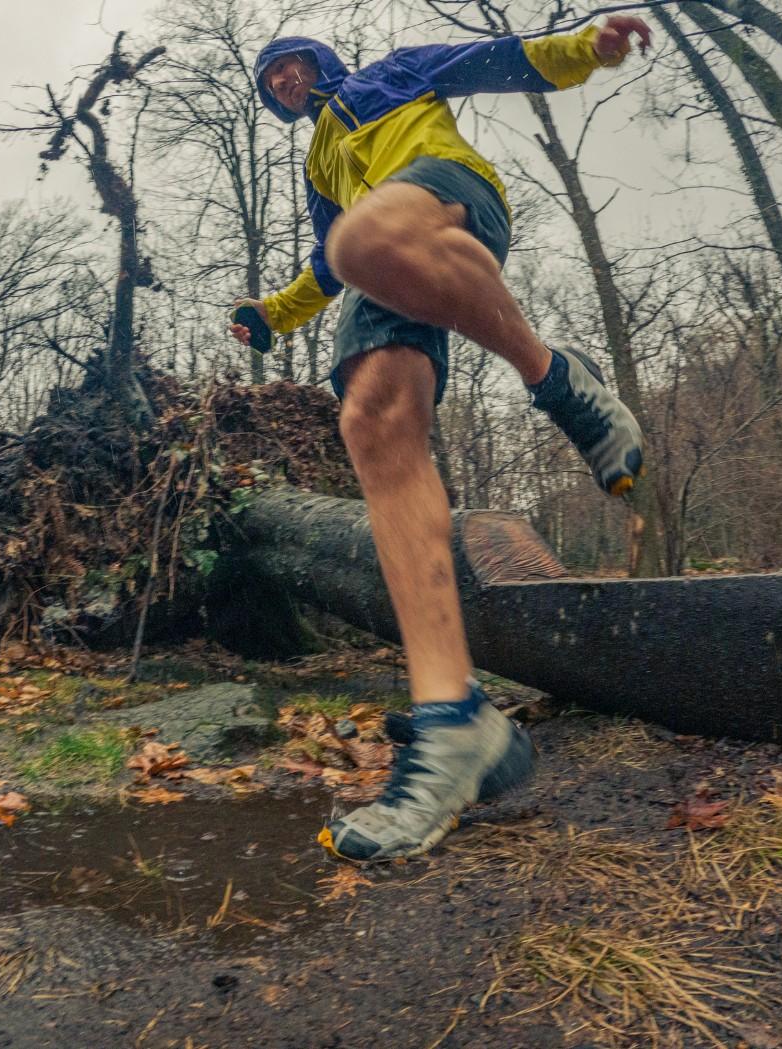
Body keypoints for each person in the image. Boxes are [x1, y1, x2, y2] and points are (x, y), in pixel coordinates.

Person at [230, 17, 652, 861]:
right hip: (379, 258)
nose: (283, 82)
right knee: (372, 421)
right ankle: (454, 721)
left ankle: (553, 377)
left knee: (369, 235)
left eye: (290, 66)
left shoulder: (385, 78)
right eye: (269, 80)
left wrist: (588, 50)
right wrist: (270, 314)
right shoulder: (322, 160)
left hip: (448, 196)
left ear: (320, 63)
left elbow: (495, 59)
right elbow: (326, 256)